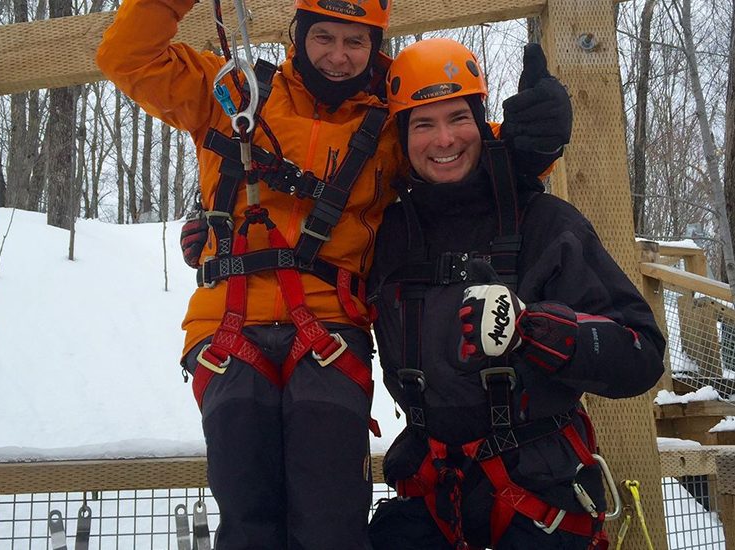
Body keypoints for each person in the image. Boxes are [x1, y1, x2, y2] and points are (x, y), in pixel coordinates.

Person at [97, 0, 570, 546]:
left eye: (355, 41)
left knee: (331, 513)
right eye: (324, 37)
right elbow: (126, 57)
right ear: (297, 36)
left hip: (329, 327)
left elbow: (461, 157)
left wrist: (532, 142)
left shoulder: (391, 127)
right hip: (227, 324)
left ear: (374, 47)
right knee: (247, 506)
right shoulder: (230, 92)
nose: (339, 57)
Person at [367, 38, 665, 550]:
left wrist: (538, 330)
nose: (444, 139)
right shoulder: (384, 233)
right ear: (401, 135)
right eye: (423, 123)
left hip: (538, 492)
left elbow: (642, 352)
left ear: (482, 122)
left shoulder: (545, 222)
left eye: (458, 117)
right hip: (432, 489)